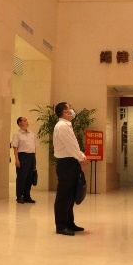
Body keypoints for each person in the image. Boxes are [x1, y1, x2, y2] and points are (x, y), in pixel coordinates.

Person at [52, 101, 87, 236]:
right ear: (64, 112)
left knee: (71, 195)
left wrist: (80, 157)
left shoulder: (67, 125)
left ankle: (69, 222)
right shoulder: (62, 126)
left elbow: (73, 146)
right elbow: (71, 147)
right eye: (70, 109)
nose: (72, 111)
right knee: (64, 195)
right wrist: (82, 157)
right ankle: (61, 226)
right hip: (66, 163)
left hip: (71, 162)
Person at [10, 116, 37, 204]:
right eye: (25, 121)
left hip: (31, 156)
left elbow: (34, 147)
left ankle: (27, 196)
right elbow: (15, 147)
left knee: (30, 177)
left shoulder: (31, 133)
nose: (27, 122)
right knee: (22, 177)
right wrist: (17, 159)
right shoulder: (17, 134)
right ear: (20, 123)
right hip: (23, 156)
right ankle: (19, 196)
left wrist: (34, 158)